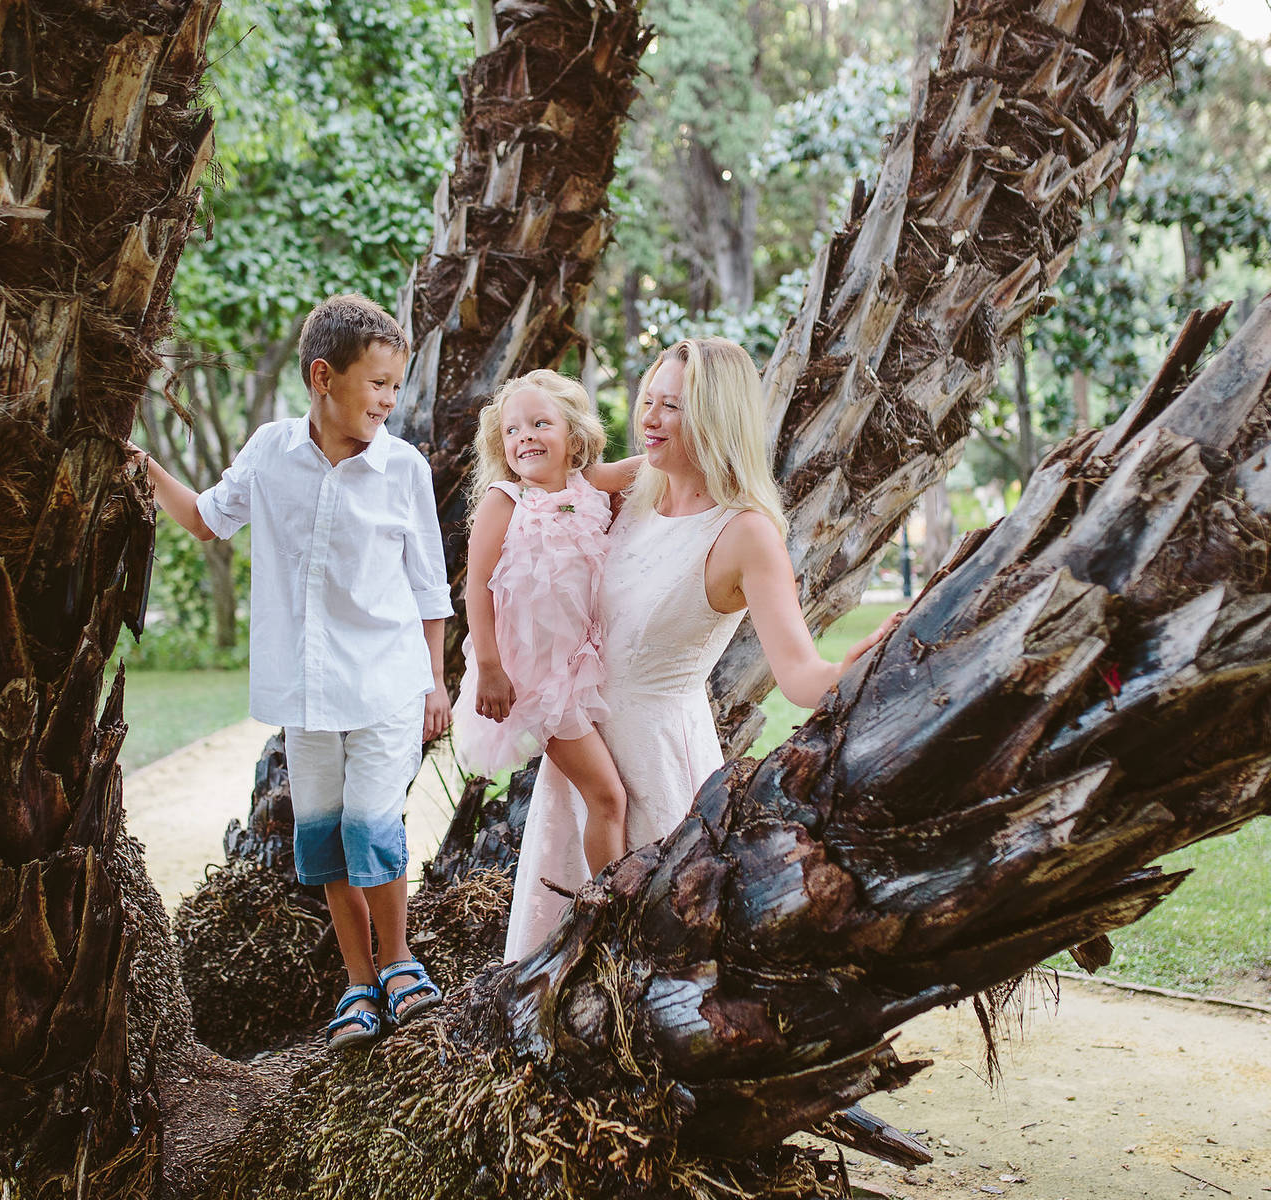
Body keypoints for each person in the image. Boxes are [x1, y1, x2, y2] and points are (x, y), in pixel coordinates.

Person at [502, 337, 900, 961]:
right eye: (649, 401)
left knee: (648, 970)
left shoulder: (746, 533)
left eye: (672, 407)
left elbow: (799, 676)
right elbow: (544, 483)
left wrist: (857, 665)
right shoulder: (635, 482)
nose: (649, 419)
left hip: (657, 764)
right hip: (582, 755)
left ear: (716, 416)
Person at [138, 294, 453, 1051]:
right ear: (323, 376)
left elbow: (429, 586)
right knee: (323, 838)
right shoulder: (271, 452)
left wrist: (437, 681)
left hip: (385, 681)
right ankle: (357, 983)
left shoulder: (402, 469)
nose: (388, 399)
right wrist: (142, 465)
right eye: (376, 383)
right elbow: (208, 518)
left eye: (394, 385)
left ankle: (401, 963)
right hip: (310, 692)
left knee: (372, 824)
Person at [452, 370, 642, 875]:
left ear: (574, 437)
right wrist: (490, 667)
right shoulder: (504, 500)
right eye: (513, 430)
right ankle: (609, 908)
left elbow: (648, 467)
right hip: (536, 680)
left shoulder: (590, 485)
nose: (525, 437)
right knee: (607, 795)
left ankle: (600, 897)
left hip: (583, 667)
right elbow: (477, 587)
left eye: (540, 423)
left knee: (603, 794)